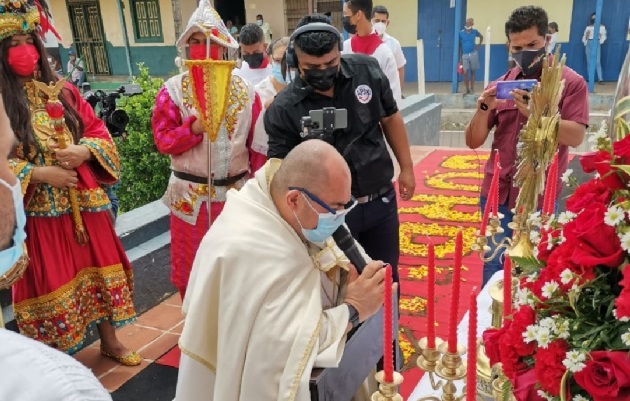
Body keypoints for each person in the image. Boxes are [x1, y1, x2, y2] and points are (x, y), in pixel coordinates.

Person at [175, 139, 388, 401]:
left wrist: (363, 281)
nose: (340, 218)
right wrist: (354, 309)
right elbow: (279, 354)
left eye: (346, 205)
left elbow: (327, 256)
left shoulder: (292, 204)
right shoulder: (249, 247)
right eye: (335, 208)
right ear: (295, 199)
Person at [4, 0, 139, 364]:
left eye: (27, 40)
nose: (23, 51)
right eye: (12, 43)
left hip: (84, 200)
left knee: (99, 266)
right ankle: (59, 362)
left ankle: (110, 341)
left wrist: (83, 151)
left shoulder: (62, 91)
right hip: (38, 211)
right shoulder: (1, 102)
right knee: (54, 281)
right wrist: (38, 173)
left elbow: (97, 130)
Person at [265, 15, 415, 292]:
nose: (323, 71)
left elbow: (391, 117)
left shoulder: (366, 72)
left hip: (379, 200)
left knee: (386, 279)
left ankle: (387, 336)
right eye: (312, 66)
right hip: (329, 217)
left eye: (330, 64)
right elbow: (278, 169)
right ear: (294, 60)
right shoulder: (284, 110)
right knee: (343, 288)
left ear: (340, 53)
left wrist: (407, 167)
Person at [465, 5, 588, 286]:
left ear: (546, 40)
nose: (524, 54)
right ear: (509, 45)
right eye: (516, 48)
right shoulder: (501, 84)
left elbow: (576, 136)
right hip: (497, 194)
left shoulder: (570, 83)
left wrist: (538, 113)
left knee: (534, 275)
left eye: (532, 45)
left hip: (539, 198)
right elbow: (473, 140)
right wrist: (484, 107)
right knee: (494, 274)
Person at [152, 0, 265, 300]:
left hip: (236, 197)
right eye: (196, 41)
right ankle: (194, 332)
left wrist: (257, 193)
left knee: (237, 267)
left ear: (223, 43)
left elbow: (258, 151)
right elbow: (163, 141)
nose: (204, 48)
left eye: (211, 41)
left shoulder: (248, 93)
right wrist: (192, 130)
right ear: (186, 46)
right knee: (191, 268)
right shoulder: (172, 91)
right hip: (190, 197)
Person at [341, 0, 401, 104]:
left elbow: (393, 98)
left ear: (359, 15)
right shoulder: (345, 48)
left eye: (346, 15)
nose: (345, 20)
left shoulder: (384, 53)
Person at [372, 5, 406, 91]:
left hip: (389, 92)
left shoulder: (394, 44)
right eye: (377, 21)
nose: (380, 24)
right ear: (370, 21)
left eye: (383, 21)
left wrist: (399, 91)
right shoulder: (363, 41)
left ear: (388, 23)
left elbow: (400, 68)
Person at [255, 37, 290, 109]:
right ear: (270, 59)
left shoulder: (305, 90)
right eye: (278, 60)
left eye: (287, 61)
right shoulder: (258, 92)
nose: (283, 66)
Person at [459, 18, 483, 94]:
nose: (467, 24)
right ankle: (467, 88)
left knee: (473, 72)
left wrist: (479, 45)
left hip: (473, 54)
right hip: (465, 55)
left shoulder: (474, 32)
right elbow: (460, 45)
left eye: (469, 22)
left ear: (472, 24)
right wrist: (460, 56)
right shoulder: (461, 33)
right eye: (466, 22)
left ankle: (472, 88)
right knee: (465, 72)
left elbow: (481, 36)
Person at [583, 12, 606, 84]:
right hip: (589, 43)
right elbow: (584, 39)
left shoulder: (602, 27)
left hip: (596, 42)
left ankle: (600, 79)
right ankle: (590, 78)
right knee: (589, 61)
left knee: (597, 62)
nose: (594, 19)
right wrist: (587, 35)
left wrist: (599, 36)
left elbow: (603, 37)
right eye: (593, 18)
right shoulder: (588, 27)